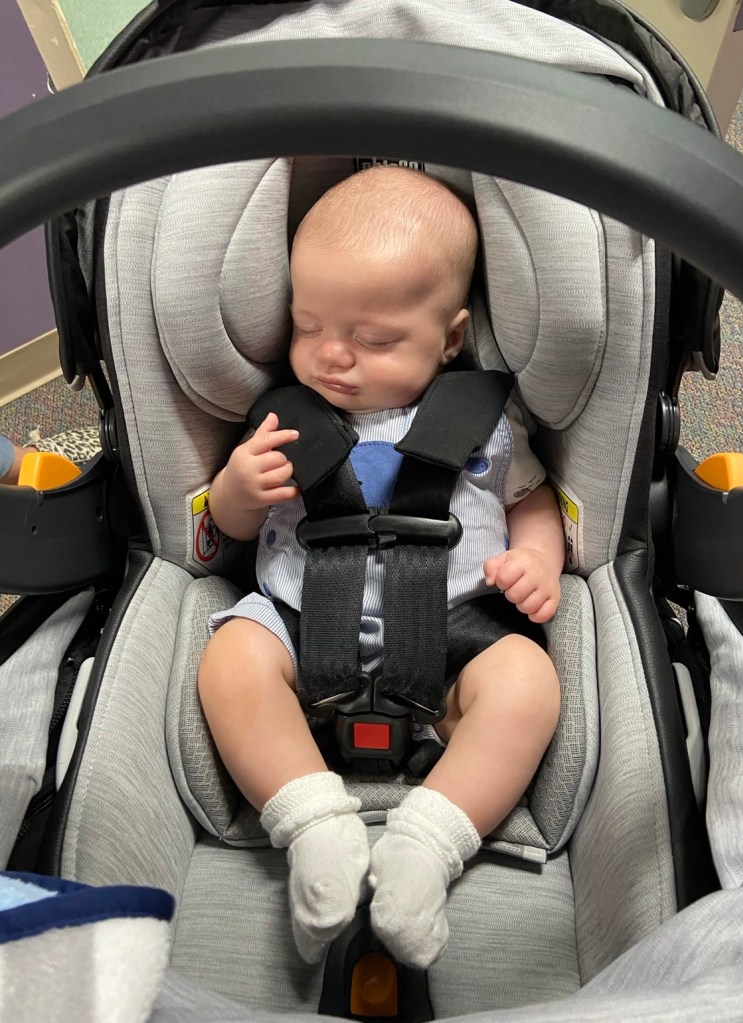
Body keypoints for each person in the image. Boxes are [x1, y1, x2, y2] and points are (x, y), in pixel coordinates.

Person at [198, 166, 564, 968]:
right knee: (230, 659)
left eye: (374, 339)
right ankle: (311, 822)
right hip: (298, 624)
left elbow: (532, 499)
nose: (332, 356)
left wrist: (536, 558)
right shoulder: (282, 421)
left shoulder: (486, 421)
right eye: (307, 326)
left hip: (454, 636)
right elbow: (227, 529)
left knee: (527, 684)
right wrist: (237, 491)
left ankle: (427, 844)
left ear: (450, 337)